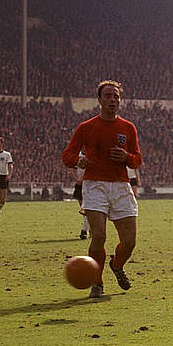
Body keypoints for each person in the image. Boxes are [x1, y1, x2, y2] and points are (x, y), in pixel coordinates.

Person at [61, 80, 143, 298]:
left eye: (116, 96)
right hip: (95, 185)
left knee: (129, 242)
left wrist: (127, 157)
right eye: (108, 96)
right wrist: (78, 161)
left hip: (121, 186)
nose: (112, 100)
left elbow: (137, 160)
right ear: (99, 100)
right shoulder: (86, 127)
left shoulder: (128, 128)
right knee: (98, 236)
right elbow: (67, 155)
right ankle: (97, 282)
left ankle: (116, 265)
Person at [71, 150, 88, 240]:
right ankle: (88, 228)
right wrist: (77, 179)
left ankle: (84, 230)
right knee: (84, 209)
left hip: (90, 184)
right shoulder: (77, 156)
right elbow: (71, 168)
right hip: (80, 185)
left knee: (88, 209)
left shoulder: (92, 153)